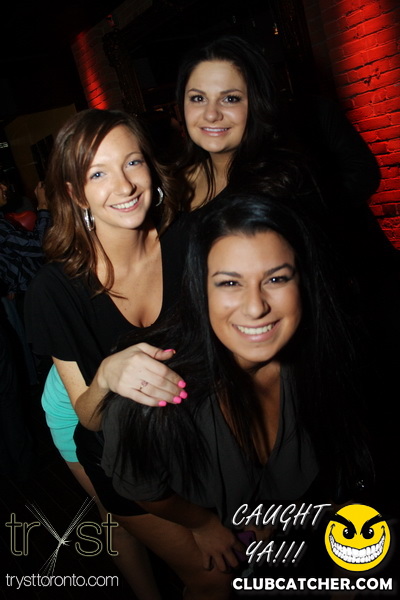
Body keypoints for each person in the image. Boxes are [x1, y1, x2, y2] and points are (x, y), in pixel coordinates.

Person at [75, 194, 374, 599]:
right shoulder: (154, 403)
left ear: (304, 281)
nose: (255, 307)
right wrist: (202, 524)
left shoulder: (327, 364)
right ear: (201, 291)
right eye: (230, 283)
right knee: (213, 584)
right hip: (145, 482)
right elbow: (146, 491)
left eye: (276, 279)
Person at [24, 108, 189, 600]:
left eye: (133, 162)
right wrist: (105, 377)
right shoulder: (55, 290)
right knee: (117, 510)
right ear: (75, 194)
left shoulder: (188, 242)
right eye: (97, 173)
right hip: (81, 408)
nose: (124, 185)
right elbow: (88, 416)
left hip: (158, 411)